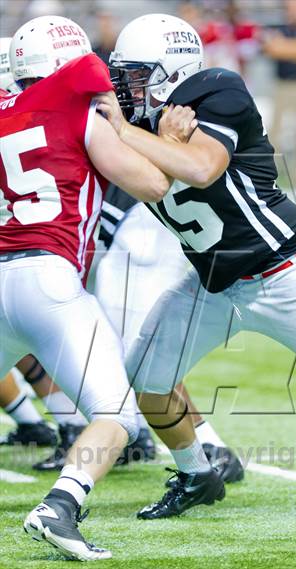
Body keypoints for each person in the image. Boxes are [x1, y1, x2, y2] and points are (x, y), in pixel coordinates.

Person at [96, 12, 296, 521]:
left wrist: (126, 131)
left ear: (171, 71)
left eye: (136, 74)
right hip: (214, 282)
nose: (123, 87)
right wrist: (145, 136)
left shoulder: (219, 90)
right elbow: (148, 176)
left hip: (287, 272)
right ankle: (197, 474)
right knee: (146, 379)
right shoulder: (141, 123)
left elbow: (202, 167)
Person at [0, 14, 181, 560]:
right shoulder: (80, 114)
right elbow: (151, 184)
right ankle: (60, 506)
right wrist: (157, 141)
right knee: (117, 415)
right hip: (50, 280)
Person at [96, 185, 244, 482]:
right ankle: (127, 429)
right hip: (113, 202)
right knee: (109, 340)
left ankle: (209, 445)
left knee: (138, 349)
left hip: (135, 206)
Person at [262, 0, 296, 187]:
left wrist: (283, 46)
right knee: (275, 132)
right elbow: (271, 50)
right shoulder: (277, 28)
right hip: (282, 85)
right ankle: (272, 174)